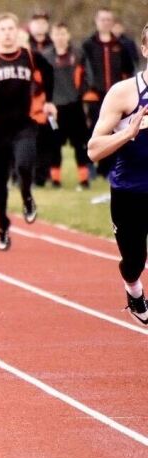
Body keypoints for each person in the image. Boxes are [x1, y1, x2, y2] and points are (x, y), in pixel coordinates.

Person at [0, 13, 56, 251]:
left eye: (11, 28)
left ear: (17, 32)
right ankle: (2, 225)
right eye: (2, 29)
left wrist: (49, 100)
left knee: (23, 165)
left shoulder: (29, 56)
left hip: (24, 124)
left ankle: (27, 197)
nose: (7, 33)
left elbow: (49, 71)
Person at [87, 21, 148, 326]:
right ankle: (133, 289)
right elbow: (94, 149)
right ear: (145, 49)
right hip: (130, 191)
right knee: (135, 260)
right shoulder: (124, 93)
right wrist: (129, 134)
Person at [82, 8, 136, 177]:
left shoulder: (121, 45)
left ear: (112, 22)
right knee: (94, 130)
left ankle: (108, 168)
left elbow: (129, 70)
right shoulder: (88, 45)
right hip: (94, 96)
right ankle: (90, 165)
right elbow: (81, 70)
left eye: (108, 19)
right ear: (97, 21)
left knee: (116, 131)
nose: (105, 22)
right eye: (102, 19)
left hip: (117, 96)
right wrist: (87, 90)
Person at [43, 22, 91, 189]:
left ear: (68, 35)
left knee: (80, 144)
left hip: (75, 106)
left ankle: (84, 179)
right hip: (55, 109)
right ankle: (55, 180)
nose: (60, 37)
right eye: (57, 34)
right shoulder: (45, 56)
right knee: (54, 145)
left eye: (63, 34)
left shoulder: (77, 54)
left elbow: (87, 77)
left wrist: (83, 94)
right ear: (52, 36)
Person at [28, 11, 54, 187]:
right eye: (36, 23)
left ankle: (42, 176)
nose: (39, 26)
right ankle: (21, 175)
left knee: (46, 141)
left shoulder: (54, 46)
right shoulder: (23, 45)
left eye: (43, 23)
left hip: (48, 100)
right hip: (25, 101)